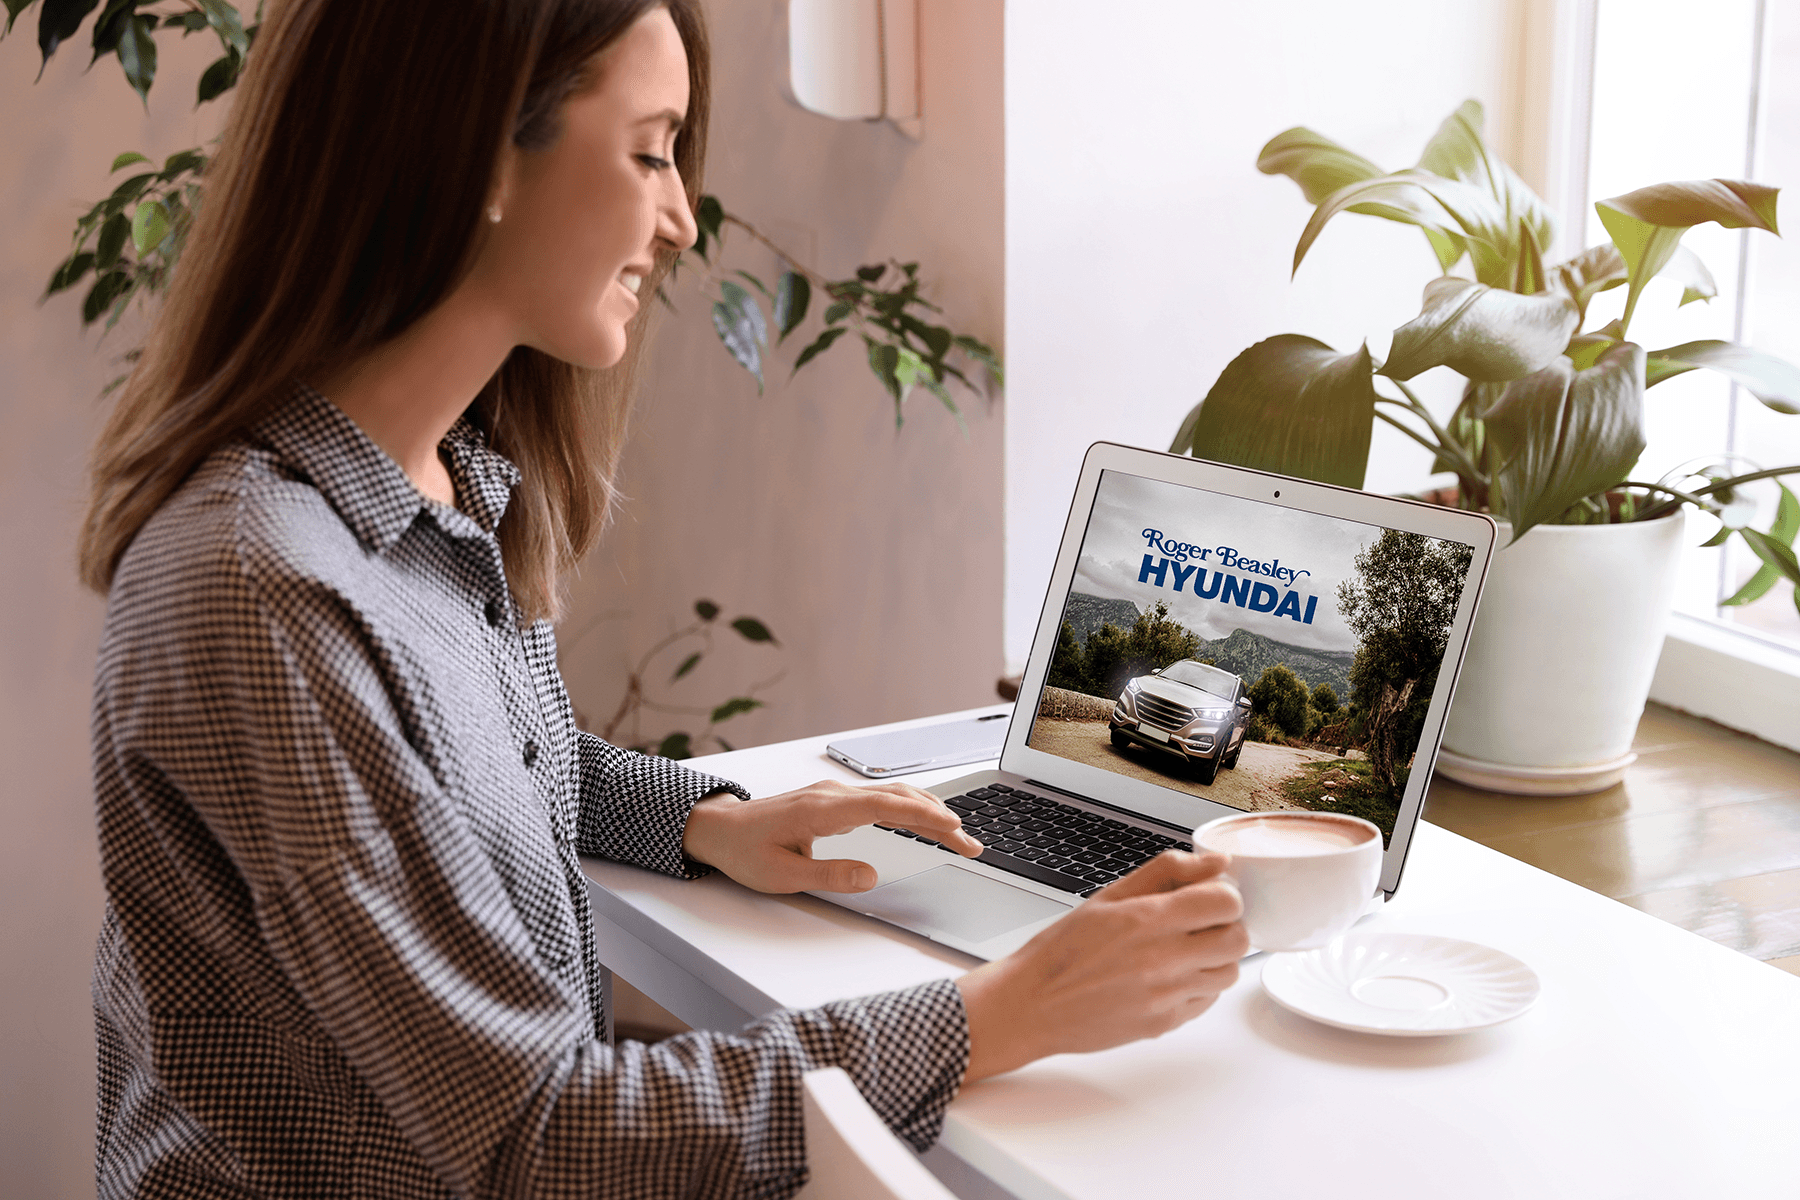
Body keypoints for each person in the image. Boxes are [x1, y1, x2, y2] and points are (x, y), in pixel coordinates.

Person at [77, 1, 1249, 1196]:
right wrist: (1006, 1010)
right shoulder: (264, 593)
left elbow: (492, 774)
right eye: (650, 151)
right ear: (481, 148)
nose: (681, 220)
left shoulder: (439, 483)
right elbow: (537, 1137)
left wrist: (707, 820)